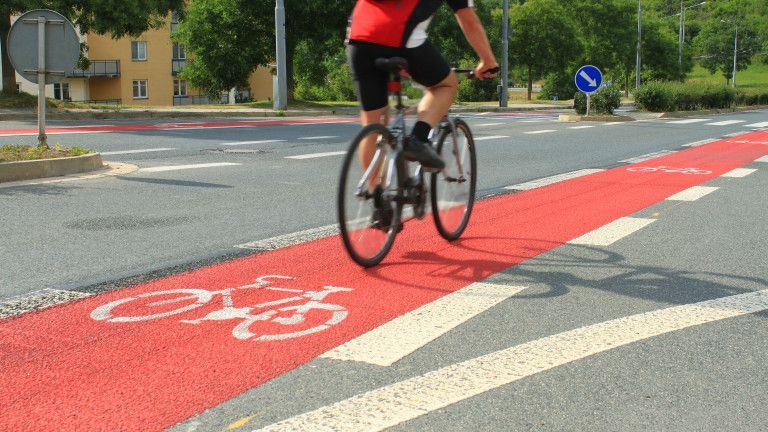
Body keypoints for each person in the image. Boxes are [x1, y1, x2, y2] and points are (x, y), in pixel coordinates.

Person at [346, 0, 499, 172]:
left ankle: (374, 193)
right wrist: (487, 61)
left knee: (372, 127)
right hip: (402, 35)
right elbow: (468, 19)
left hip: (359, 37)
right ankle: (417, 139)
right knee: (446, 85)